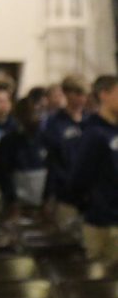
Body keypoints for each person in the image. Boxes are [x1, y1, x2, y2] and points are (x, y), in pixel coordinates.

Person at [67, 75, 118, 263]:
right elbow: (78, 179)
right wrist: (94, 205)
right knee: (103, 282)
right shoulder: (94, 132)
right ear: (104, 95)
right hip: (103, 222)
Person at [42, 74, 89, 227]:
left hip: (89, 194)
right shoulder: (55, 122)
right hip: (65, 192)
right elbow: (54, 159)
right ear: (68, 94)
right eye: (78, 94)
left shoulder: (90, 121)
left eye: (84, 94)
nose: (82, 99)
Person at [0, 97, 48, 219]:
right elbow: (4, 174)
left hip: (40, 202)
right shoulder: (8, 142)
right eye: (29, 113)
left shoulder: (45, 139)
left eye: (37, 113)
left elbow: (51, 171)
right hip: (17, 204)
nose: (34, 117)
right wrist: (11, 201)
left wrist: (47, 198)